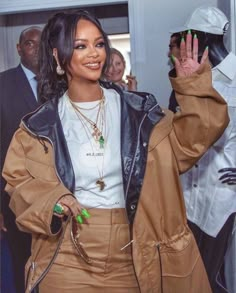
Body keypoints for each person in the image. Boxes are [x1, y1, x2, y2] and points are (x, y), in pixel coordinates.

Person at [2, 10, 229, 293]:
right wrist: (51, 200)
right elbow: (19, 181)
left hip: (136, 248)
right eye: (81, 45)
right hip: (67, 253)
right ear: (59, 57)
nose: (95, 54)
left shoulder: (140, 112)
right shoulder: (38, 126)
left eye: (99, 44)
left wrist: (193, 87)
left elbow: (189, 144)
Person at [170, 6, 236, 293]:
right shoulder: (189, 77)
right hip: (186, 195)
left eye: (189, 37)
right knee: (188, 275)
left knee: (210, 274)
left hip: (221, 196)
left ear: (200, 39)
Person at [0, 25, 42, 293]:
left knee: (52, 262)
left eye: (41, 44)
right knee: (21, 260)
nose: (36, 49)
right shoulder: (2, 84)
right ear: (19, 48)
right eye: (30, 44)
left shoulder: (60, 83)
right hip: (13, 193)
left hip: (54, 191)